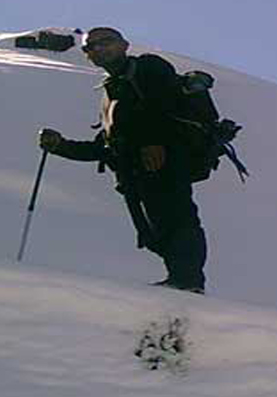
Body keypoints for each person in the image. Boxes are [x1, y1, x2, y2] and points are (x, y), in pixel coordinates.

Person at [38, 27, 208, 293]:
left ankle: (188, 282)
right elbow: (106, 146)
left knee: (177, 221)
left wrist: (155, 142)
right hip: (136, 174)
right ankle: (181, 280)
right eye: (90, 47)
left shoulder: (150, 67)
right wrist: (61, 146)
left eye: (106, 42)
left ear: (125, 45)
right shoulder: (110, 91)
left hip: (167, 162)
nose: (97, 49)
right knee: (157, 232)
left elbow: (161, 103)